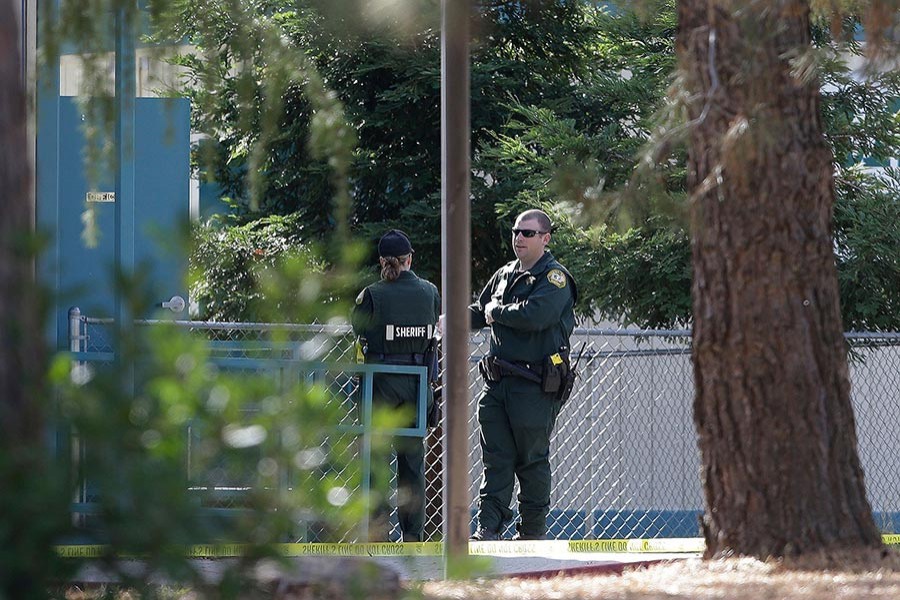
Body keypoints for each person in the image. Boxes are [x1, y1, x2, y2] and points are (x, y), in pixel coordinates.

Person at [468, 209, 577, 541]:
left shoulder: (555, 279)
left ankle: (531, 532)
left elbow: (536, 315)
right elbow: (481, 310)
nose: (519, 238)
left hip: (534, 386)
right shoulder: (504, 274)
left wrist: (495, 313)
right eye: (516, 231)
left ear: (545, 238)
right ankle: (488, 527)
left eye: (527, 233)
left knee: (530, 460)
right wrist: (451, 319)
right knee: (496, 458)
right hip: (498, 383)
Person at [351, 229, 441, 542]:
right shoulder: (430, 292)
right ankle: (413, 536)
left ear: (382, 262)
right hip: (417, 384)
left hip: (381, 384)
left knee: (376, 461)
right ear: (409, 259)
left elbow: (358, 328)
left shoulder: (372, 294)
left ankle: (377, 533)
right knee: (412, 463)